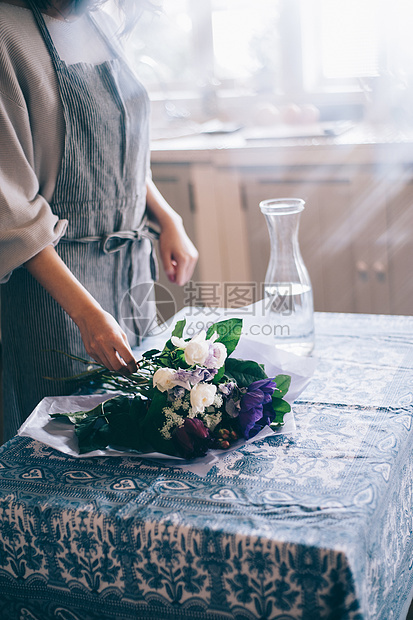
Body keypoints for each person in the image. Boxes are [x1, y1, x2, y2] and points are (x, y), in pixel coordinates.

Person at [0, 0, 198, 441]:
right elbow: (10, 205)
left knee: (145, 430)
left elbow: (119, 152)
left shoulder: (103, 24)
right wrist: (87, 314)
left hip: (130, 274)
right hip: (55, 294)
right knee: (65, 450)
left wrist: (167, 218)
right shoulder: (5, 35)